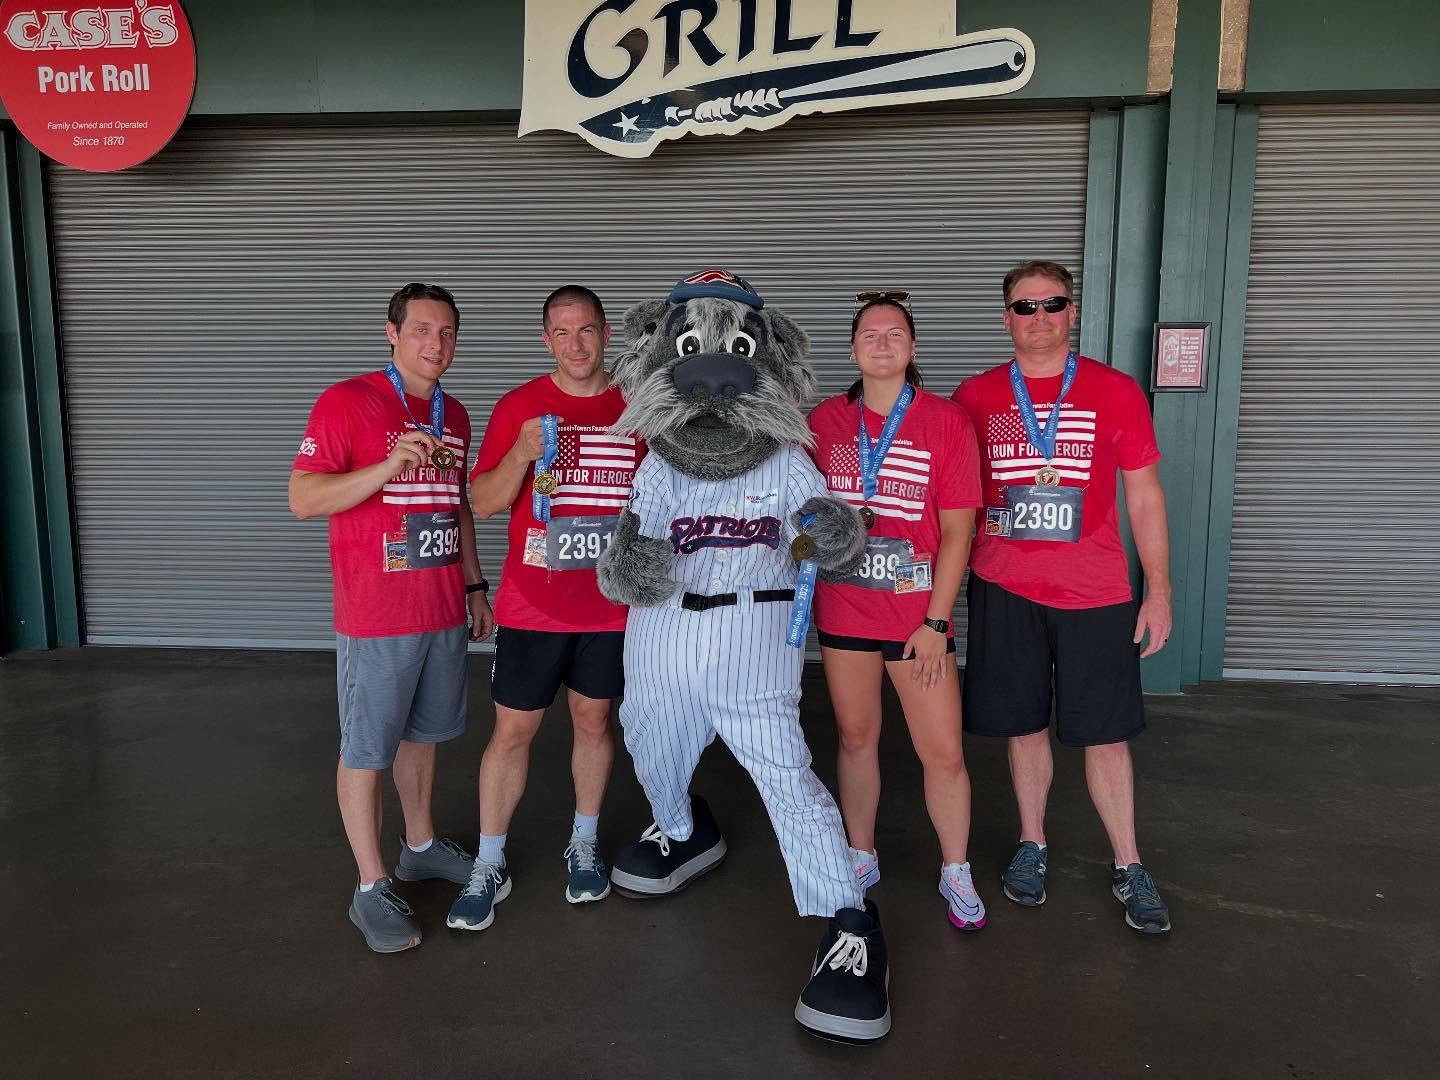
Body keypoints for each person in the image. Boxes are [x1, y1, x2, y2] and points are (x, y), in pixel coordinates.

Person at [952, 260, 1174, 934]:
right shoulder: (976, 396)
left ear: (1072, 313)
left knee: (1105, 735)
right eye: (1025, 307)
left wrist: (1157, 588)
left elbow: (1144, 493)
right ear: (1006, 319)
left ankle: (1128, 862)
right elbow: (954, 495)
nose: (1040, 318)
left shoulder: (1115, 390)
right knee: (1025, 723)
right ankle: (1032, 843)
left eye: (1053, 305)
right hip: (1005, 584)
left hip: (1096, 590)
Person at [288, 282, 494, 954]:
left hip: (440, 609)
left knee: (424, 735)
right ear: (392, 333)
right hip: (376, 615)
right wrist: (384, 466)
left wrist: (474, 585)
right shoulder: (347, 401)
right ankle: (371, 885)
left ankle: (421, 845)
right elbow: (303, 498)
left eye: (447, 334)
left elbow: (456, 505)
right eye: (422, 331)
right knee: (366, 748)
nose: (436, 345)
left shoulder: (454, 414)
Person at [449, 285, 638, 930]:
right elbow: (483, 501)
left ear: (605, 333)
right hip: (534, 606)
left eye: (585, 330)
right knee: (513, 732)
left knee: (593, 722)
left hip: (611, 608)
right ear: (545, 340)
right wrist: (522, 454)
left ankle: (583, 843)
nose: (575, 344)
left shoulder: (635, 406)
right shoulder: (521, 406)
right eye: (561, 333)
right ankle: (489, 860)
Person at [808, 293, 987, 932]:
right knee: (856, 738)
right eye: (869, 333)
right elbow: (802, 515)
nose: (881, 342)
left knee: (942, 752)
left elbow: (959, 531)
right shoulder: (824, 422)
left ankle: (956, 868)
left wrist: (937, 622)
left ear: (912, 349)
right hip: (846, 610)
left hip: (917, 620)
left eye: (894, 333)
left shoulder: (946, 421)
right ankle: (860, 854)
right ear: (853, 349)